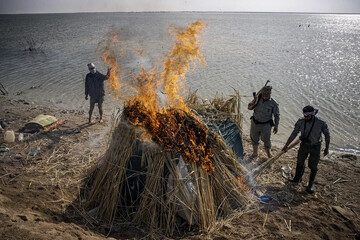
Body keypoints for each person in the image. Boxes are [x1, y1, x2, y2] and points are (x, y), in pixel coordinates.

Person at [282, 105, 330, 194]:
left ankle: (311, 185)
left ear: (312, 114)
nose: (306, 117)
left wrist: (326, 149)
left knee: (313, 166)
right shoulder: (300, 122)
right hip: (304, 145)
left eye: (307, 116)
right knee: (300, 162)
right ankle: (297, 178)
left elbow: (327, 136)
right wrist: (286, 145)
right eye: (304, 116)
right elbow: (294, 134)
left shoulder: (321, 123)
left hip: (315, 146)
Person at [248, 85, 280, 159]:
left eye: (267, 95)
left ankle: (269, 154)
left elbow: (277, 115)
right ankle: (255, 153)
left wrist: (276, 126)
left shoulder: (274, 103)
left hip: (266, 125)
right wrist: (251, 104)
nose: (265, 97)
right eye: (263, 95)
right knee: (254, 138)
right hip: (255, 123)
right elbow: (249, 108)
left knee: (266, 140)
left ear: (269, 94)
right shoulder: (257, 99)